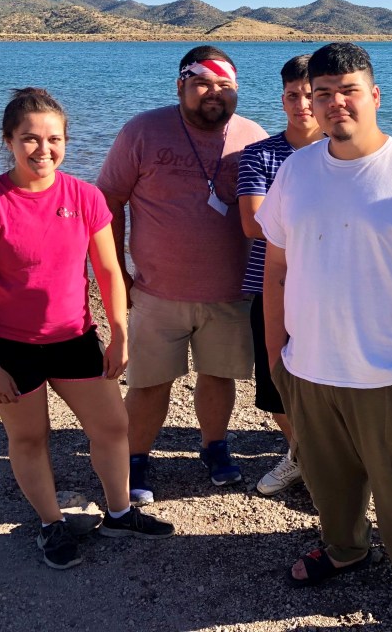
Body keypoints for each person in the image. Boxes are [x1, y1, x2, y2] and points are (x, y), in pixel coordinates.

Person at [258, 43, 392, 631]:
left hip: (391, 369)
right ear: (310, 102)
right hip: (311, 366)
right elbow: (277, 266)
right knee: (330, 480)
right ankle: (346, 549)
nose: (334, 103)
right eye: (322, 93)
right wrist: (277, 354)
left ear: (374, 96)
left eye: (348, 90)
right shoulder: (297, 171)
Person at [0, 88, 174, 570]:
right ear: (8, 140)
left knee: (113, 427)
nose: (42, 149)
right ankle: (52, 525)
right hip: (11, 347)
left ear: (66, 141)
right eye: (29, 139)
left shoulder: (85, 196)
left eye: (54, 138)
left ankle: (119, 512)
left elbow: (110, 271)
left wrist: (120, 334)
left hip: (75, 338)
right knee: (31, 438)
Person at [97, 46, 266, 503]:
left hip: (231, 293)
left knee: (219, 376)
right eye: (203, 83)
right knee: (150, 382)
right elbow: (108, 201)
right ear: (181, 86)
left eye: (225, 86)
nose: (214, 93)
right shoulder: (143, 131)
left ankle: (214, 447)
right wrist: (117, 274)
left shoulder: (253, 136)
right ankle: (136, 457)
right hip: (156, 291)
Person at [237, 54, 323, 496]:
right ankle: (302, 455)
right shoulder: (259, 155)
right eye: (293, 95)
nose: (303, 104)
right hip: (269, 287)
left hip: (327, 292)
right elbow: (252, 224)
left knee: (327, 379)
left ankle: (327, 459)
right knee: (274, 383)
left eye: (311, 95)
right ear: (283, 98)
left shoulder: (341, 153)